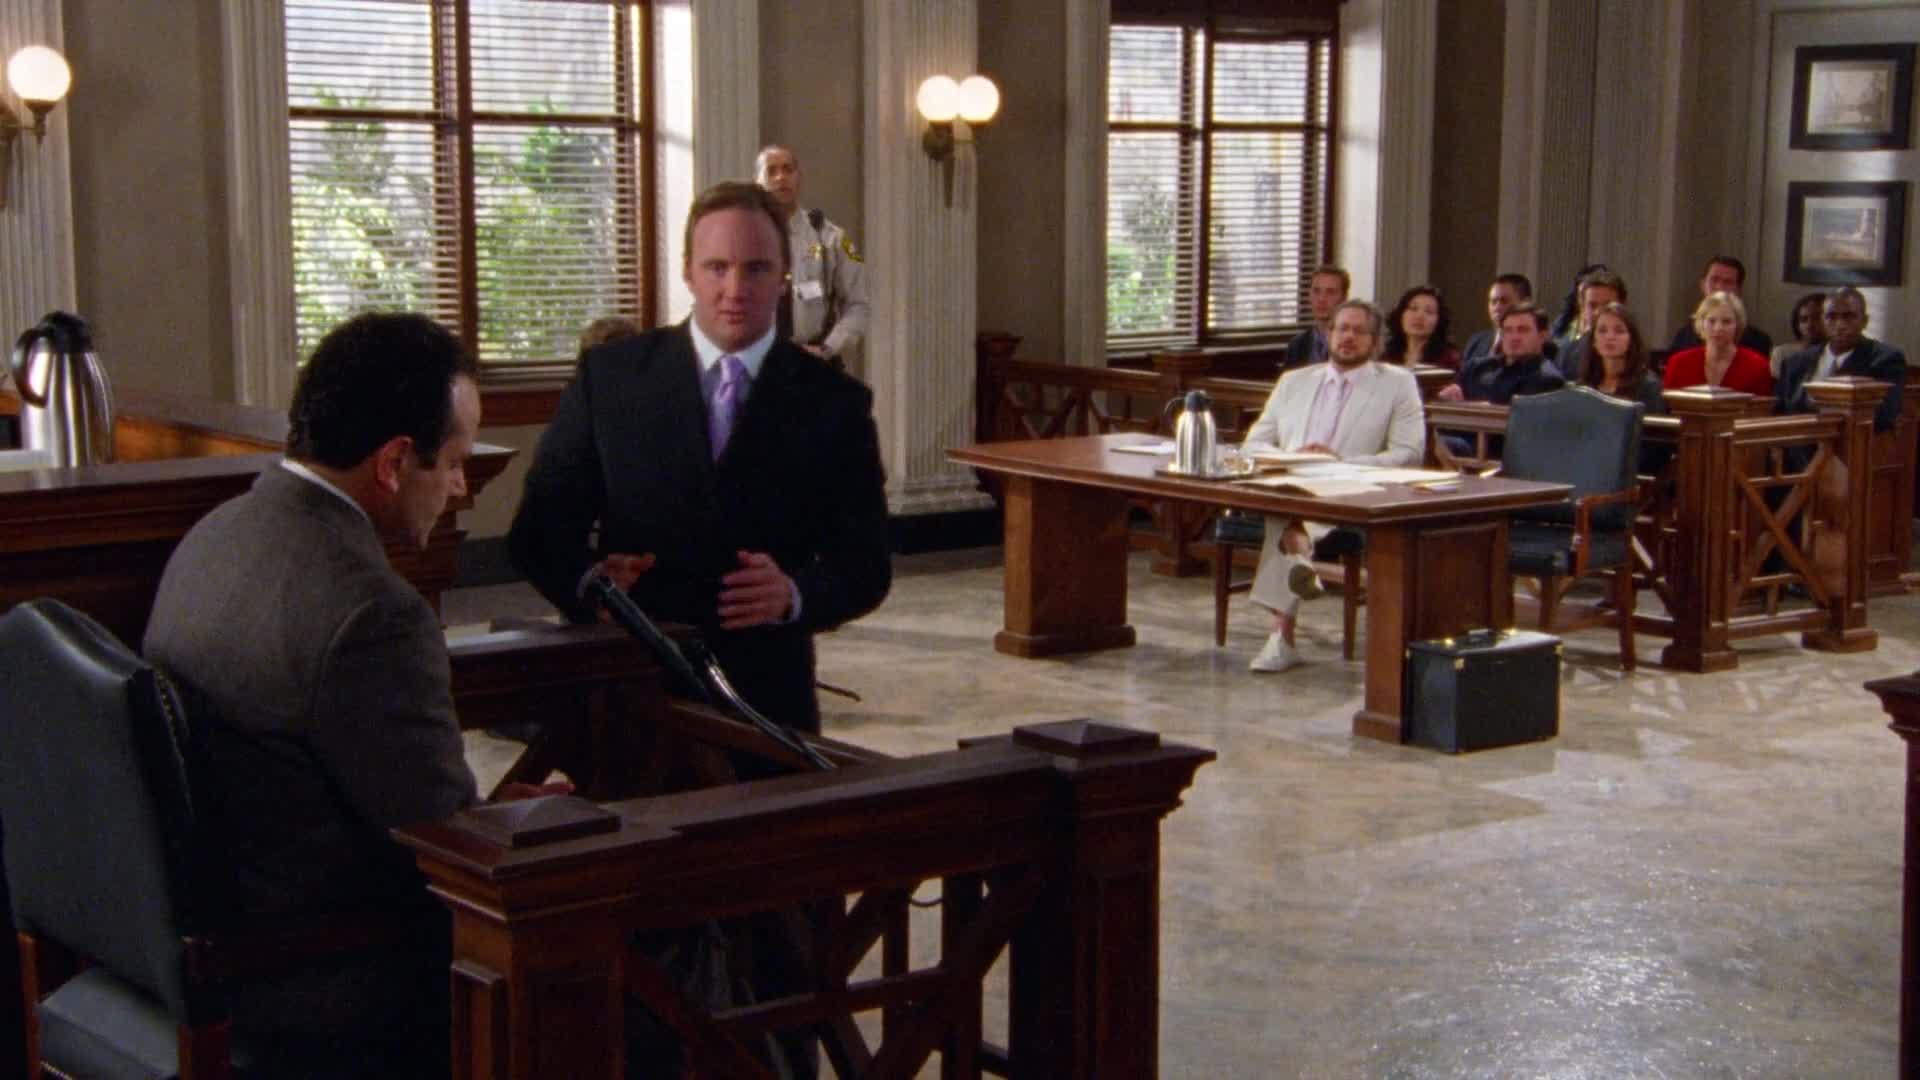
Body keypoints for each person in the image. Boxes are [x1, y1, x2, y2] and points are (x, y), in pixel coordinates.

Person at [144, 312, 568, 1075]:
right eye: (455, 462)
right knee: (618, 956)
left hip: (209, 942)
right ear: (395, 461)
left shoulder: (216, 532)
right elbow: (446, 854)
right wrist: (524, 823)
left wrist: (487, 811)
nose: (462, 486)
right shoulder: (373, 614)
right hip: (323, 975)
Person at [511, 180, 891, 734]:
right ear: (688, 272)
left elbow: (867, 565)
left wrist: (793, 593)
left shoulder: (834, 402)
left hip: (767, 699)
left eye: (756, 269)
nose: (735, 289)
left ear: (784, 275)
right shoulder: (611, 379)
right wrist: (590, 582)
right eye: (717, 268)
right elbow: (537, 533)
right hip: (630, 689)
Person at [1240, 299, 1425, 673]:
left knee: (1286, 520)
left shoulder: (1397, 383)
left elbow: (1409, 453)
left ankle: (1282, 637)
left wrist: (1339, 462)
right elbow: (1253, 443)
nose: (1348, 337)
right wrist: (1294, 457)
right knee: (1287, 511)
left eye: (1359, 331)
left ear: (1375, 341)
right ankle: (1298, 563)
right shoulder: (1294, 382)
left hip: (1352, 488)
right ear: (1329, 334)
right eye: (1342, 329)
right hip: (1292, 482)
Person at [755, 144, 871, 369]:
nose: (781, 177)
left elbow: (858, 305)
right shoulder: (744, 239)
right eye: (771, 171)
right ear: (757, 182)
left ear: (799, 178)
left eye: (788, 169)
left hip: (814, 361)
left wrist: (828, 348)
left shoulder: (830, 238)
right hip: (760, 364)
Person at [1776, 287, 1906, 433]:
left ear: (1864, 321)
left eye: (1849, 317)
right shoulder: (1795, 362)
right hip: (1796, 442)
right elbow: (1779, 412)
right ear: (1823, 321)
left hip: (1851, 442)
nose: (1840, 325)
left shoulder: (1885, 359)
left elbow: (1885, 416)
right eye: (1831, 317)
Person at [1438, 302, 1568, 404]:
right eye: (1508, 330)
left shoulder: (1548, 380)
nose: (1514, 337)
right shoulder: (1477, 368)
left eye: (1523, 330)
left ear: (1542, 336)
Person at [1662, 291, 1772, 397]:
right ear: (1701, 323)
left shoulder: (1757, 367)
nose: (1718, 328)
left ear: (1738, 325)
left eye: (1726, 322)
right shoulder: (1679, 364)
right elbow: (1668, 406)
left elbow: (1762, 407)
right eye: (1711, 321)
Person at [1668, 255, 1774, 356]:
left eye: (1728, 282)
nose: (1719, 287)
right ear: (1703, 285)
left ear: (1738, 290)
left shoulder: (1758, 341)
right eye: (1714, 280)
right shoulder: (1684, 336)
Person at [1580, 302, 1664, 416]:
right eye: (1602, 330)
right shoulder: (1585, 384)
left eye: (1619, 331)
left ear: (1631, 340)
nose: (1610, 337)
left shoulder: (1648, 385)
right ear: (1593, 341)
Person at [1459, 272, 1549, 371]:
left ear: (1525, 303)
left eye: (1504, 301)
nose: (1497, 308)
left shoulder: (1544, 348)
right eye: (1493, 302)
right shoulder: (1476, 342)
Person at [1552, 267, 1628, 380]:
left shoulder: (1634, 353)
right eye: (1593, 305)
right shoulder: (1567, 353)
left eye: (1607, 305)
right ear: (1582, 308)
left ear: (1622, 307)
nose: (1598, 312)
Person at [1281, 265, 1351, 371]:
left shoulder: (1351, 344)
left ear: (1344, 298)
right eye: (1316, 291)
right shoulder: (1297, 345)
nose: (1321, 299)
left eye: (1330, 292)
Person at [1382, 284, 1462, 370]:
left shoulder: (1449, 359)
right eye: (1413, 308)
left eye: (1429, 311)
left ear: (1439, 320)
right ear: (1401, 314)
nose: (1419, 316)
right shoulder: (1385, 355)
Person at [1770, 291, 1827, 378]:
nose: (1809, 325)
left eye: (1816, 318)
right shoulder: (1783, 353)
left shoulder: (1835, 355)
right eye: (1803, 319)